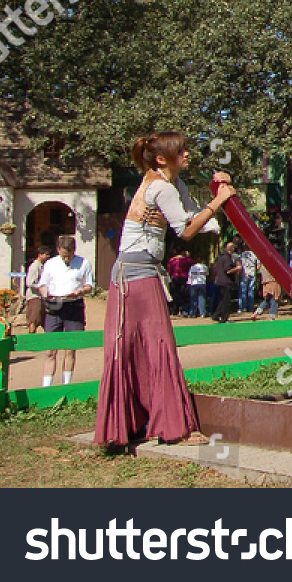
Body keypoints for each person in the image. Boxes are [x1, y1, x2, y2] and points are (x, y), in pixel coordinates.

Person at [95, 132, 236, 447]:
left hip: (140, 273)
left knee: (150, 345)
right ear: (162, 159)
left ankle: (147, 423)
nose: (187, 155)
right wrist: (219, 200)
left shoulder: (173, 185)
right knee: (150, 345)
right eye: (181, 151)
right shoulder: (159, 186)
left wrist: (221, 187)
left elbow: (196, 217)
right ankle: (164, 427)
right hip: (134, 275)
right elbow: (186, 231)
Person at [39, 235, 94, 386]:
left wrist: (81, 291)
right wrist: (45, 293)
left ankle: (66, 385)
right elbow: (42, 284)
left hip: (73, 306)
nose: (66, 258)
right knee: (50, 349)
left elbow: (89, 285)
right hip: (54, 306)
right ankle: (46, 387)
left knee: (70, 348)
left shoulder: (84, 263)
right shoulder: (50, 264)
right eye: (64, 255)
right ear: (58, 250)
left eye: (69, 255)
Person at [24, 245, 52, 334]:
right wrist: (42, 287)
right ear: (40, 255)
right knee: (34, 319)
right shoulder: (35, 266)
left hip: (40, 297)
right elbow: (30, 282)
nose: (48, 257)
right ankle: (30, 340)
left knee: (45, 320)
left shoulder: (42, 266)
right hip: (34, 297)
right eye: (46, 254)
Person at [211, 241, 242, 322]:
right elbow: (227, 270)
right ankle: (224, 318)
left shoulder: (220, 257)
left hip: (220, 281)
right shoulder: (227, 258)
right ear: (231, 249)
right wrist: (237, 268)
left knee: (223, 300)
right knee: (226, 301)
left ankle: (216, 314)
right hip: (226, 282)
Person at [165, 249, 193, 316]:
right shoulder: (186, 260)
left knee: (175, 294)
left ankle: (175, 310)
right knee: (183, 294)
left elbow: (169, 270)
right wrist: (188, 256)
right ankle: (183, 310)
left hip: (175, 277)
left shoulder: (172, 260)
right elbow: (193, 263)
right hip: (183, 278)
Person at [237, 245, 258, 314]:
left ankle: (243, 307)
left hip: (244, 274)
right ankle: (251, 307)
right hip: (252, 273)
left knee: (243, 291)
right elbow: (258, 265)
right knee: (251, 291)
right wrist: (255, 271)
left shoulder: (241, 255)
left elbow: (239, 265)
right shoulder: (254, 255)